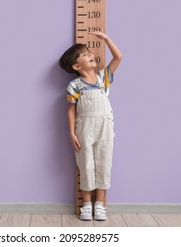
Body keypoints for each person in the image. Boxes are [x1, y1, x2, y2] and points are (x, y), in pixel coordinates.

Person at [59, 32, 122, 220]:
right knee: (85, 164)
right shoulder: (74, 85)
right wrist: (71, 133)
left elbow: (119, 57)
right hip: (84, 128)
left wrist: (106, 39)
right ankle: (86, 204)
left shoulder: (104, 78)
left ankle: (100, 205)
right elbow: (71, 110)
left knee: (104, 162)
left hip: (104, 126)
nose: (90, 54)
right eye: (85, 54)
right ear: (77, 66)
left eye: (89, 52)